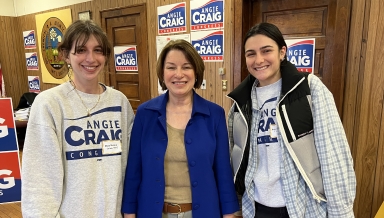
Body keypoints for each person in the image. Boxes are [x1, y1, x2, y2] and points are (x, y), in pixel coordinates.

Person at [227, 22, 356, 218]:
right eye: (251, 53)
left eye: (266, 50)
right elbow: (235, 160)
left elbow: (333, 157)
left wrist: (342, 213)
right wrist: (235, 205)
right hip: (255, 208)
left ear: (282, 52)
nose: (258, 60)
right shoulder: (239, 103)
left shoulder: (309, 89)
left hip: (303, 208)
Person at [21, 20, 134, 217]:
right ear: (65, 55)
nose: (91, 58)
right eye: (81, 50)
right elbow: (39, 182)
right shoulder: (49, 104)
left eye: (98, 50)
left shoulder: (120, 102)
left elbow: (130, 167)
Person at [122, 39, 239, 218]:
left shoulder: (214, 114)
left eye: (186, 67)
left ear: (196, 72)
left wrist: (229, 213)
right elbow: (134, 169)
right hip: (153, 212)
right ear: (162, 72)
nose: (179, 74)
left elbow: (223, 170)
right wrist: (129, 211)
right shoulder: (145, 113)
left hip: (203, 212)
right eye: (171, 67)